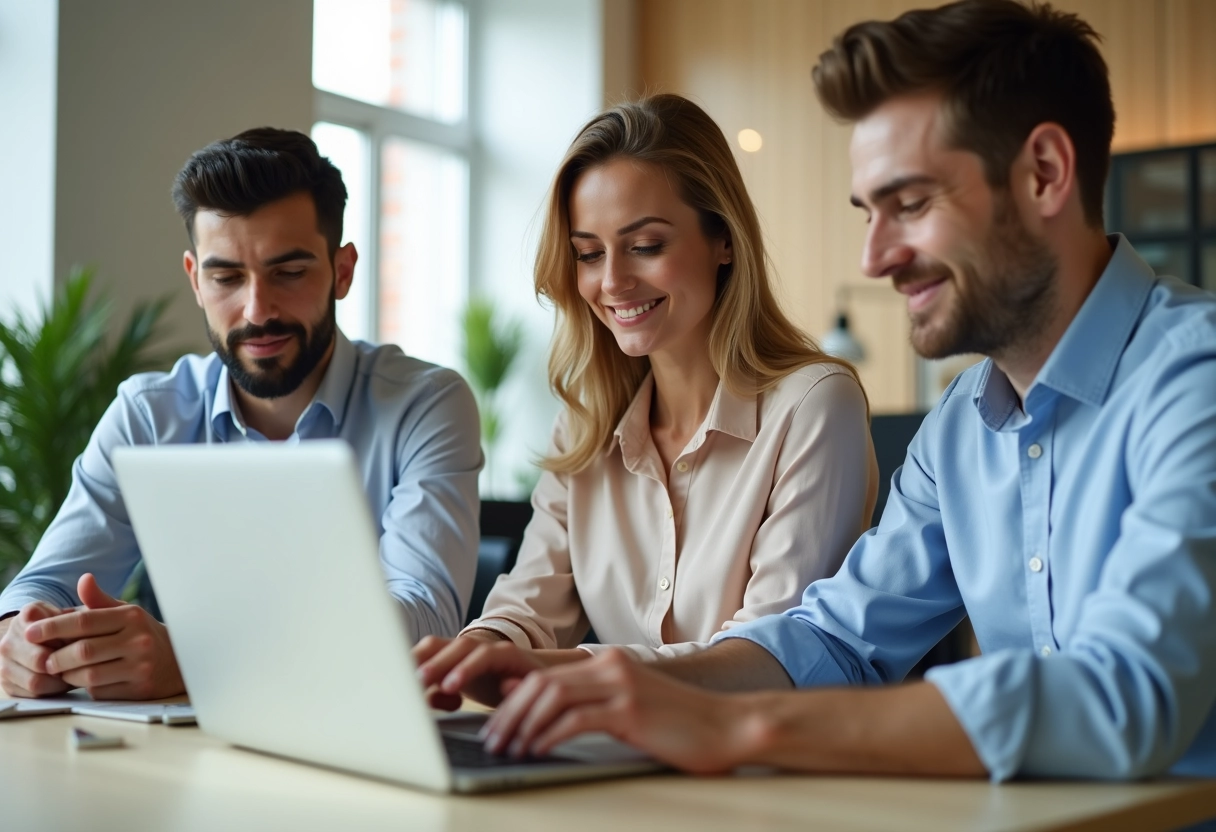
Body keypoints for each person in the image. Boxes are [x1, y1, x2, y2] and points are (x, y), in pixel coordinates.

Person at [466, 0, 1216, 781]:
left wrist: (743, 727)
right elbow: (834, 641)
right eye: (868, 212)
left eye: (912, 204)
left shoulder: (1195, 378)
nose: (874, 257)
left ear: (1044, 174)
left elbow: (1126, 694)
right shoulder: (959, 429)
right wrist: (608, 680)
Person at [414, 94, 877, 711]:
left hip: (767, 776)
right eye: (588, 253)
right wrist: (477, 651)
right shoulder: (585, 426)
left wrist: (558, 669)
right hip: (620, 766)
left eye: (646, 245)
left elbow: (772, 655)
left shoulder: (816, 406)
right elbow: (527, 610)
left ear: (724, 241)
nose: (611, 282)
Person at [0, 128, 482, 701]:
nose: (258, 310)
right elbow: (44, 585)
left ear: (343, 271)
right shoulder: (148, 416)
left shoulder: (425, 406)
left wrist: (194, 658)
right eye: (226, 277)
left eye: (289, 272)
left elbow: (424, 624)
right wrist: (21, 639)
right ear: (195, 280)